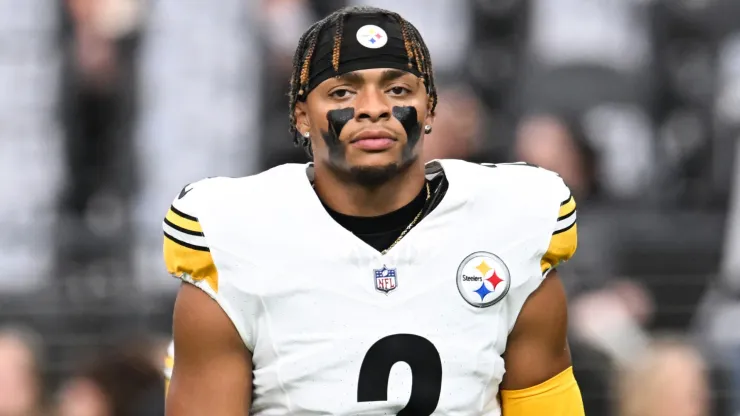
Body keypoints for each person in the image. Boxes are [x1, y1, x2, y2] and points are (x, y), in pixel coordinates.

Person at [163, 6, 584, 415]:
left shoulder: (510, 220)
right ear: (302, 116)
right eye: (342, 91)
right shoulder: (235, 236)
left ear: (431, 108)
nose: (373, 108)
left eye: (397, 89)